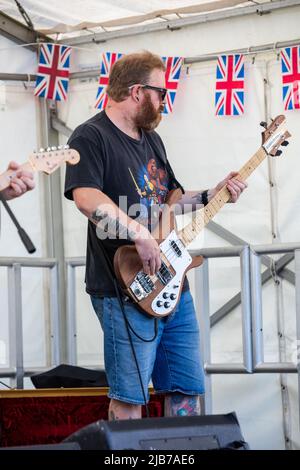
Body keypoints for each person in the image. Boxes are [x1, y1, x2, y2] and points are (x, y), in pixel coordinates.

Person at [64, 51, 247, 421]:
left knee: (185, 392)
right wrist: (138, 232)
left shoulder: (152, 140)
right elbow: (85, 198)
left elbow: (169, 202)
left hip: (173, 284)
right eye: (160, 92)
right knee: (129, 399)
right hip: (125, 288)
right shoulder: (90, 135)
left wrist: (213, 194)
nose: (165, 100)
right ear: (136, 92)